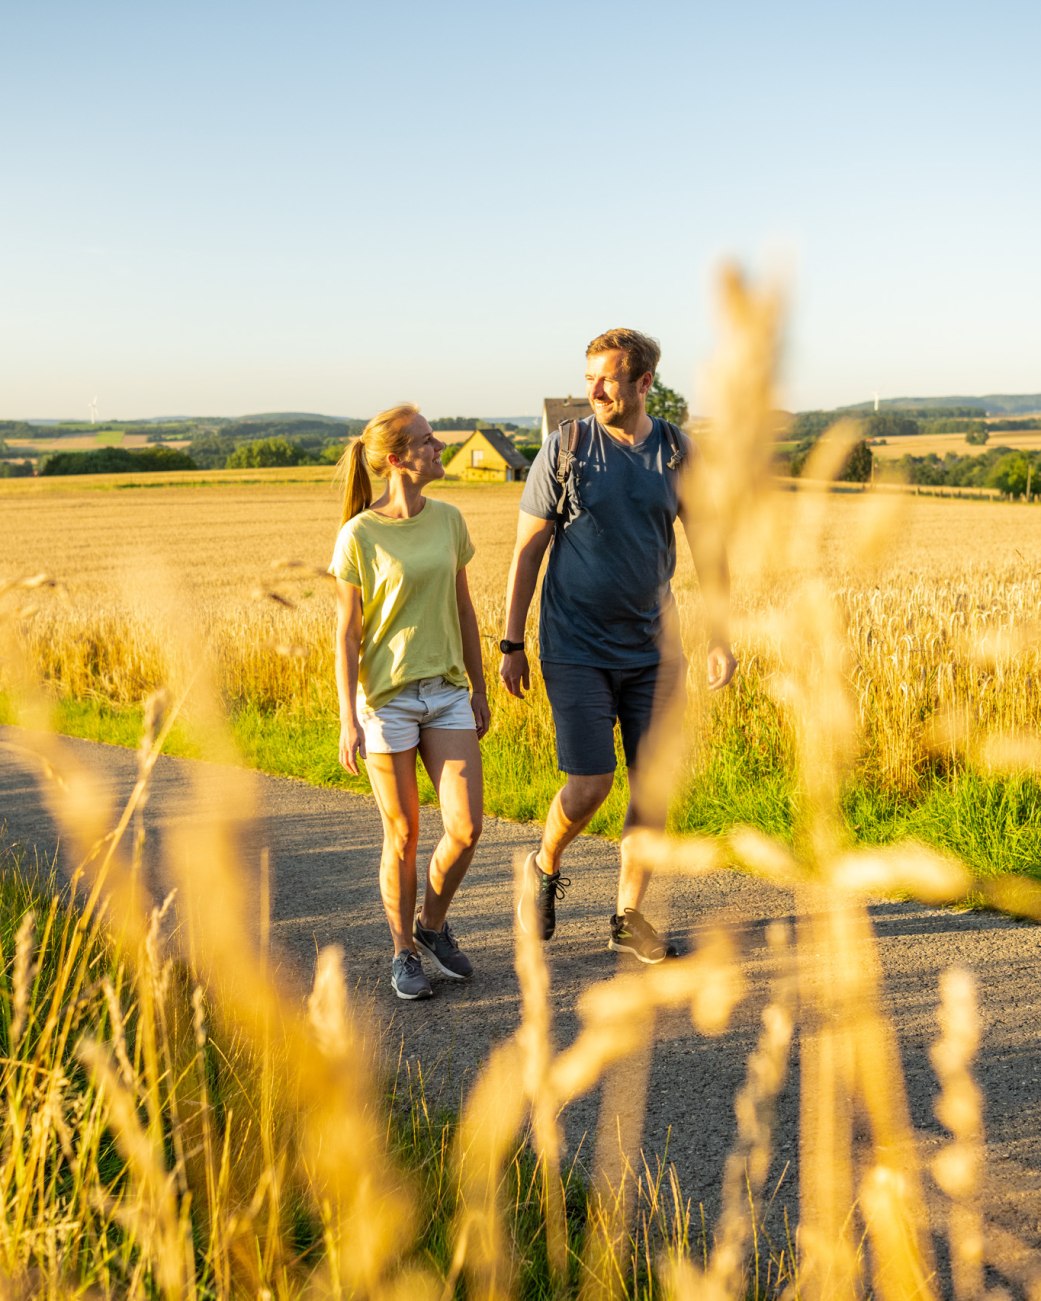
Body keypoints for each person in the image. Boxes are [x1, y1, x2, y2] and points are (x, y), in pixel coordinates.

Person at [500, 328, 736, 963]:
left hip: (656, 650)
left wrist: (720, 634)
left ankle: (629, 916)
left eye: (607, 378)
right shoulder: (567, 448)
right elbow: (527, 553)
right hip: (574, 646)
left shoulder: (680, 453)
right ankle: (545, 864)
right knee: (590, 784)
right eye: (589, 379)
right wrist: (511, 640)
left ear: (643, 383)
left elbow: (710, 547)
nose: (595, 390)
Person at [330, 404, 489, 1000]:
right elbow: (347, 635)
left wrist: (476, 687)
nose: (440, 444)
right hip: (387, 702)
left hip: (446, 693)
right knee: (402, 834)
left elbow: (465, 611)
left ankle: (432, 926)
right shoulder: (359, 534)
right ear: (398, 460)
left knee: (467, 828)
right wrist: (349, 717)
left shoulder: (449, 520)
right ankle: (403, 953)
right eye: (428, 440)